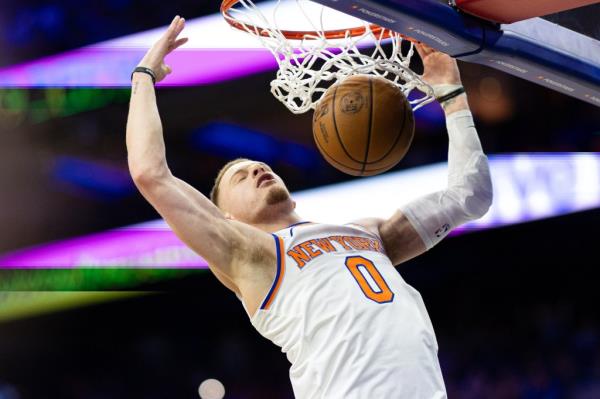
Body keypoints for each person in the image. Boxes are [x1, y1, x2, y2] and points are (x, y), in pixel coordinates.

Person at [126, 15, 492, 399]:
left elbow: (470, 195)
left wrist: (451, 93)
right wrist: (143, 75)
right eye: (240, 177)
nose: (256, 168)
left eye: (259, 165)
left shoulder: (369, 233)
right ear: (226, 218)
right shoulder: (250, 255)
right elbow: (150, 173)